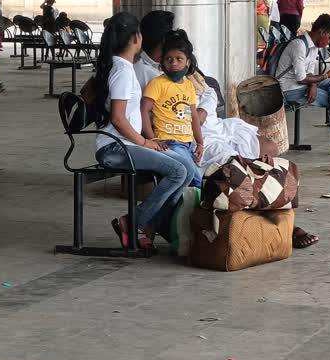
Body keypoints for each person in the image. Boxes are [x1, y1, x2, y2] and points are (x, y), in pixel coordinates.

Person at [137, 10, 318, 248]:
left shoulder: (182, 63)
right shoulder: (147, 74)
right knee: (237, 171)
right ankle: (275, 223)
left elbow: (208, 90)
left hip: (209, 127)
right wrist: (151, 139)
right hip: (183, 136)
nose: (173, 59)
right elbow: (141, 112)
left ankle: (274, 219)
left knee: (265, 156)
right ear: (159, 42)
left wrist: (202, 110)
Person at [92, 12, 193, 249]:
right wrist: (145, 142)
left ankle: (149, 222)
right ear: (136, 39)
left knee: (186, 168)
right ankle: (134, 221)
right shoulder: (122, 71)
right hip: (115, 147)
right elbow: (118, 119)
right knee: (178, 172)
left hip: (125, 144)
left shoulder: (118, 66)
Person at [277, 14, 330, 155]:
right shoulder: (299, 45)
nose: (328, 42)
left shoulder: (313, 46)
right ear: (321, 32)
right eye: (329, 37)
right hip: (289, 89)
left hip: (302, 85)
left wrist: (314, 85)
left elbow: (309, 74)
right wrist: (325, 76)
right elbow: (302, 78)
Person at [141, 30, 204, 187]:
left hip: (188, 144)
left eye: (179, 59)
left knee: (191, 182)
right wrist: (152, 139)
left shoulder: (189, 86)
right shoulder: (157, 84)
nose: (173, 63)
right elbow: (143, 110)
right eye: (169, 59)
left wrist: (200, 143)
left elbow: (194, 116)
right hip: (170, 143)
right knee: (197, 181)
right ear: (162, 62)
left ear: (187, 62)